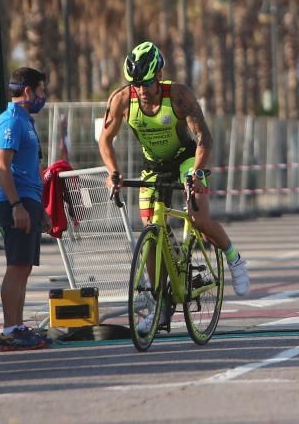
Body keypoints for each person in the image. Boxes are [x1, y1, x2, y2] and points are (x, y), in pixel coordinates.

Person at [99, 42, 250, 322]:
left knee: (199, 218)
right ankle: (160, 303)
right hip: (154, 166)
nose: (141, 90)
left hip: (186, 159)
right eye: (135, 84)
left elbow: (204, 138)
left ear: (158, 76)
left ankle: (234, 258)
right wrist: (113, 172)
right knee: (151, 232)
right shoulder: (122, 99)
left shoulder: (179, 96)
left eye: (146, 83)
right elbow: (105, 139)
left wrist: (196, 174)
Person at [0, 67, 52, 351]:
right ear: (27, 91)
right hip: (15, 202)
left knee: (24, 268)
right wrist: (17, 205)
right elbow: (1, 165)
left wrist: (41, 209)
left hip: (29, 202)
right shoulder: (11, 121)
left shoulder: (26, 122)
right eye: (40, 91)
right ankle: (9, 330)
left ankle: (17, 326)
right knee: (15, 267)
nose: (43, 96)